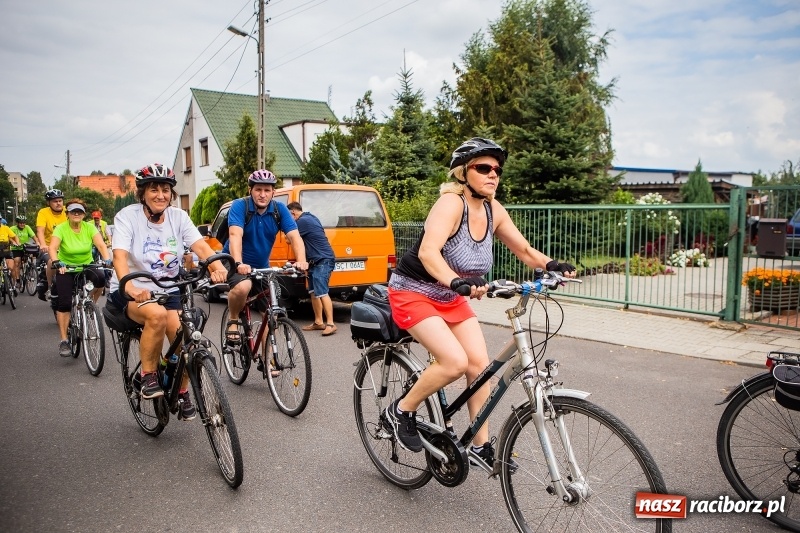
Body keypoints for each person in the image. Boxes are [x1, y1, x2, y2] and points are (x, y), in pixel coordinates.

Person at [383, 137, 577, 468]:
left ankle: (478, 444)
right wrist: (456, 281)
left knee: (480, 368)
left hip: (450, 296)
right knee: (454, 363)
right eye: (484, 168)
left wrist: (551, 265)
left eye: (497, 169)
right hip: (414, 291)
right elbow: (429, 252)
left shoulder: (493, 210)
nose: (493, 174)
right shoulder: (449, 204)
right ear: (463, 173)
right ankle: (400, 410)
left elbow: (525, 251)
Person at [109, 163, 228, 420]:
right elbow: (119, 257)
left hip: (169, 287)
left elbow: (201, 248)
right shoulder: (127, 217)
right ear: (142, 193)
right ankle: (148, 375)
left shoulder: (178, 217)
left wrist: (217, 267)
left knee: (186, 337)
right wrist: (128, 286)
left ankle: (181, 388)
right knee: (157, 317)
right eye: (154, 189)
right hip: (134, 288)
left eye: (165, 189)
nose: (160, 195)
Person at [223, 169, 308, 348]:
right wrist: (238, 263)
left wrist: (301, 260)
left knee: (271, 313)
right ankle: (232, 320)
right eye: (258, 189)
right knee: (243, 286)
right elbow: (235, 235)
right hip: (234, 261)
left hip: (261, 265)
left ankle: (268, 358)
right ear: (250, 190)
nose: (262, 194)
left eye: (267, 190)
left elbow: (294, 236)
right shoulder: (240, 206)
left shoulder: (279, 210)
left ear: (273, 192)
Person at [48, 199, 111, 357]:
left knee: (101, 278)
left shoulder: (89, 228)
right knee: (64, 303)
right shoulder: (61, 228)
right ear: (67, 213)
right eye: (73, 211)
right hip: (66, 267)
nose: (76, 214)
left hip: (86, 265)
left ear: (84, 214)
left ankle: (90, 305)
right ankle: (63, 340)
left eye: (80, 211)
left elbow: (101, 245)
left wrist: (106, 258)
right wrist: (56, 261)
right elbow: (53, 247)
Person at [288, 201, 337, 336]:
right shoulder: (311, 217)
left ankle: (331, 324)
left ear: (293, 213)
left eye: (288, 217)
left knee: (322, 292)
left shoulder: (302, 221)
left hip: (323, 260)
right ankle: (318, 322)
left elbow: (289, 239)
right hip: (315, 261)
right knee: (314, 292)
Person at [36, 189, 68, 299]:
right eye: (55, 201)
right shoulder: (43, 212)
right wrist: (43, 244)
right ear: (48, 203)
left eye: (60, 200)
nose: (58, 203)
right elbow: (40, 230)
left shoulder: (67, 211)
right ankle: (50, 287)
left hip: (66, 246)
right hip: (49, 247)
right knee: (51, 261)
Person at [10, 215, 38, 288]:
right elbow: (9, 237)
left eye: (24, 223)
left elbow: (34, 237)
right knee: (17, 262)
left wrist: (38, 243)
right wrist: (14, 243)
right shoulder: (13, 229)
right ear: (17, 223)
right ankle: (18, 280)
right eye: (20, 223)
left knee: (31, 256)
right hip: (16, 248)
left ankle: (30, 269)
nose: (22, 224)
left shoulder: (27, 227)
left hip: (26, 247)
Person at [0, 218, 21, 293]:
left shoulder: (6, 228)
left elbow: (14, 236)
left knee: (11, 268)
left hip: (6, 250)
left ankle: (13, 285)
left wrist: (17, 243)